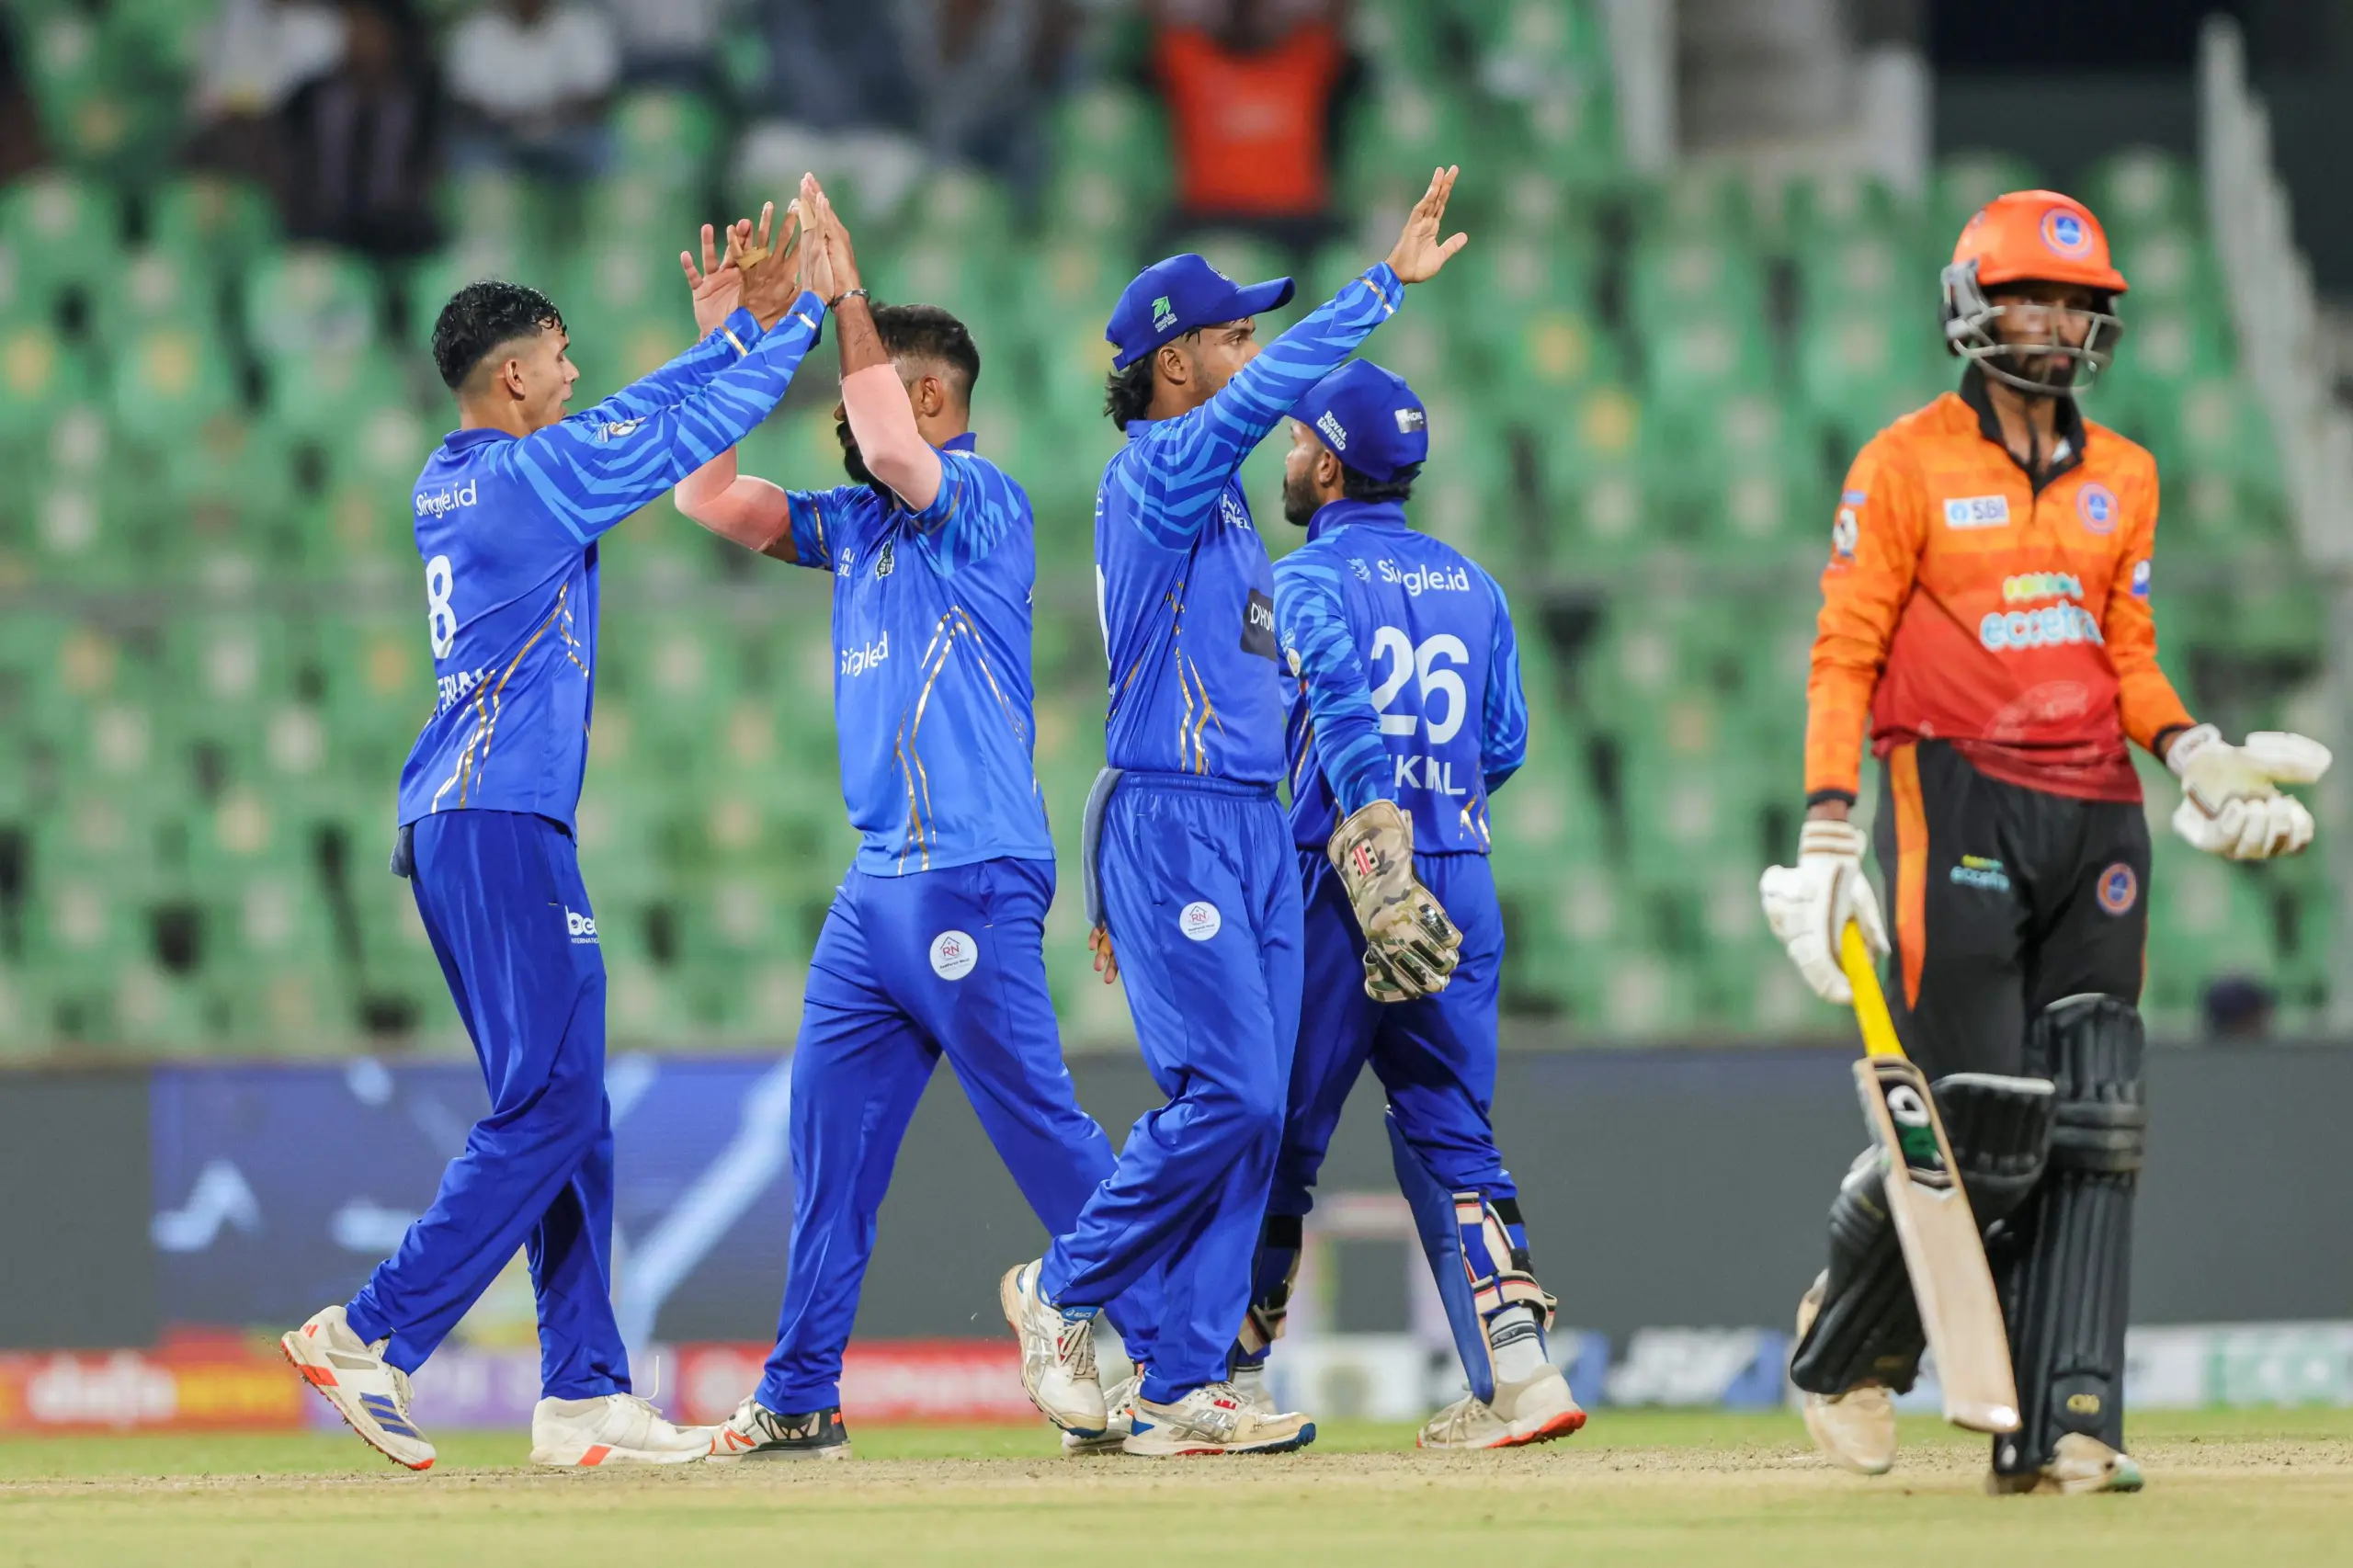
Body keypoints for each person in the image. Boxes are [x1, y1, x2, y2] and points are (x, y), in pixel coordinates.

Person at [1760, 188, 2330, 1494]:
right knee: (1984, 1123)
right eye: (2031, 296)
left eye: (2078, 304)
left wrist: (2194, 753)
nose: (2057, 323)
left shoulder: (2126, 473)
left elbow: (2124, 651)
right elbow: (1844, 650)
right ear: (1974, 307)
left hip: (2097, 808)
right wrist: (1831, 823)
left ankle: (2067, 1420)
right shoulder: (1903, 463)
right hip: (1954, 791)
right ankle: (1844, 1347)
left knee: (2097, 1116)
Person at [279, 206, 828, 1471]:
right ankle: (368, 1330)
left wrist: (725, 334)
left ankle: (583, 1393)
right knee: (558, 1099)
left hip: (470, 816)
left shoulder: (466, 473)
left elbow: (630, 417)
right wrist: (803, 316)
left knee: (567, 1103)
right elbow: (675, 436)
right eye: (562, 354)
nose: (576, 372)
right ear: (516, 374)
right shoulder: (529, 482)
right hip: (500, 817)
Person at [665, 178, 1163, 1462]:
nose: (838, 420)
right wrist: (725, 346)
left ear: (928, 395)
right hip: (877, 886)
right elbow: (706, 499)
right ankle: (801, 1391)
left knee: (1040, 1128)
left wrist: (845, 297)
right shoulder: (854, 527)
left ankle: (1179, 1361)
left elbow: (891, 450)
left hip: (970, 869)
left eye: (855, 395)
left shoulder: (981, 501)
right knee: (829, 1154)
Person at [999, 166, 1468, 1459]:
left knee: (1259, 1113)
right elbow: (1265, 403)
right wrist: (1380, 287)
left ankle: (1184, 1384)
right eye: (1234, 334)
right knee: (1230, 1095)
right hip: (1179, 817)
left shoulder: (1223, 510)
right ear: (1175, 364)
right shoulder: (1158, 470)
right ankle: (1061, 1288)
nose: (1253, 356)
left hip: (1250, 824)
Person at [1225, 358, 1582, 1451]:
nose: (1289, 456)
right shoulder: (1476, 584)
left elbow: (1307, 713)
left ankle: (1227, 1377)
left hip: (1341, 872)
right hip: (1456, 866)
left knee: (1277, 1133)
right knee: (1455, 1131)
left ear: (1331, 466)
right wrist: (1430, 814)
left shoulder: (1298, 580)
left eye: (1298, 442)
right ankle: (1520, 1373)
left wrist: (1370, 839)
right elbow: (1503, 743)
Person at [444, 0, 619, 182]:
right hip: (497, 136)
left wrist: (546, 121)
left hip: (565, 134)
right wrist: (516, 124)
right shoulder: (473, 32)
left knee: (598, 148)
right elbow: (465, 103)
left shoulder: (583, 25)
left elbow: (596, 97)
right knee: (468, 152)